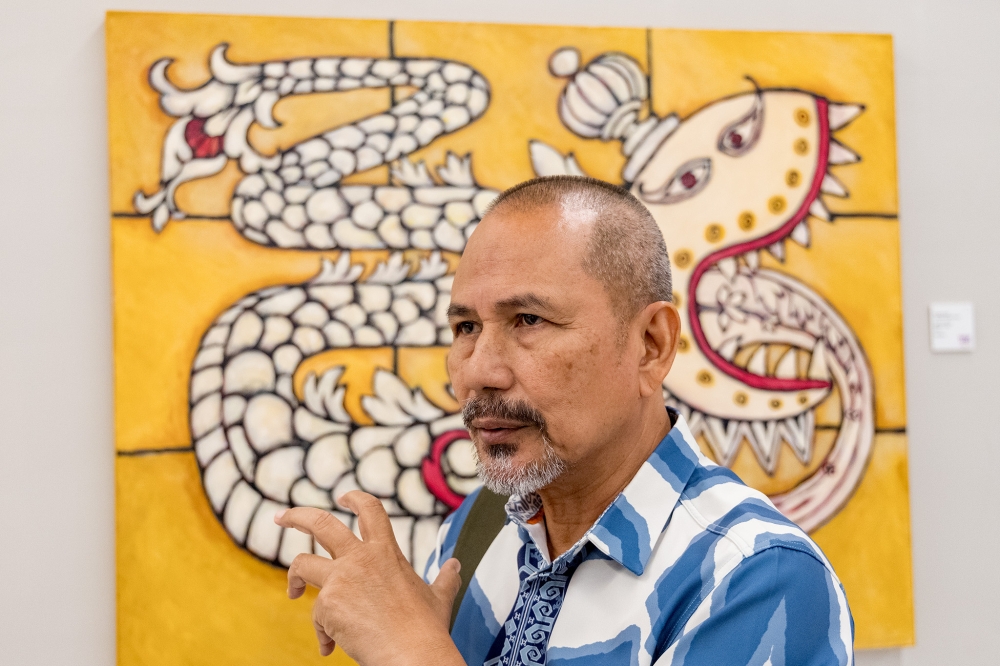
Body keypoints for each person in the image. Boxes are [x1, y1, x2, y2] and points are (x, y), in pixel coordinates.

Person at [274, 176, 854, 665]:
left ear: (651, 345)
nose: (480, 372)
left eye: (528, 320)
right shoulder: (477, 529)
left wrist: (418, 653)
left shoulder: (754, 578)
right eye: (466, 328)